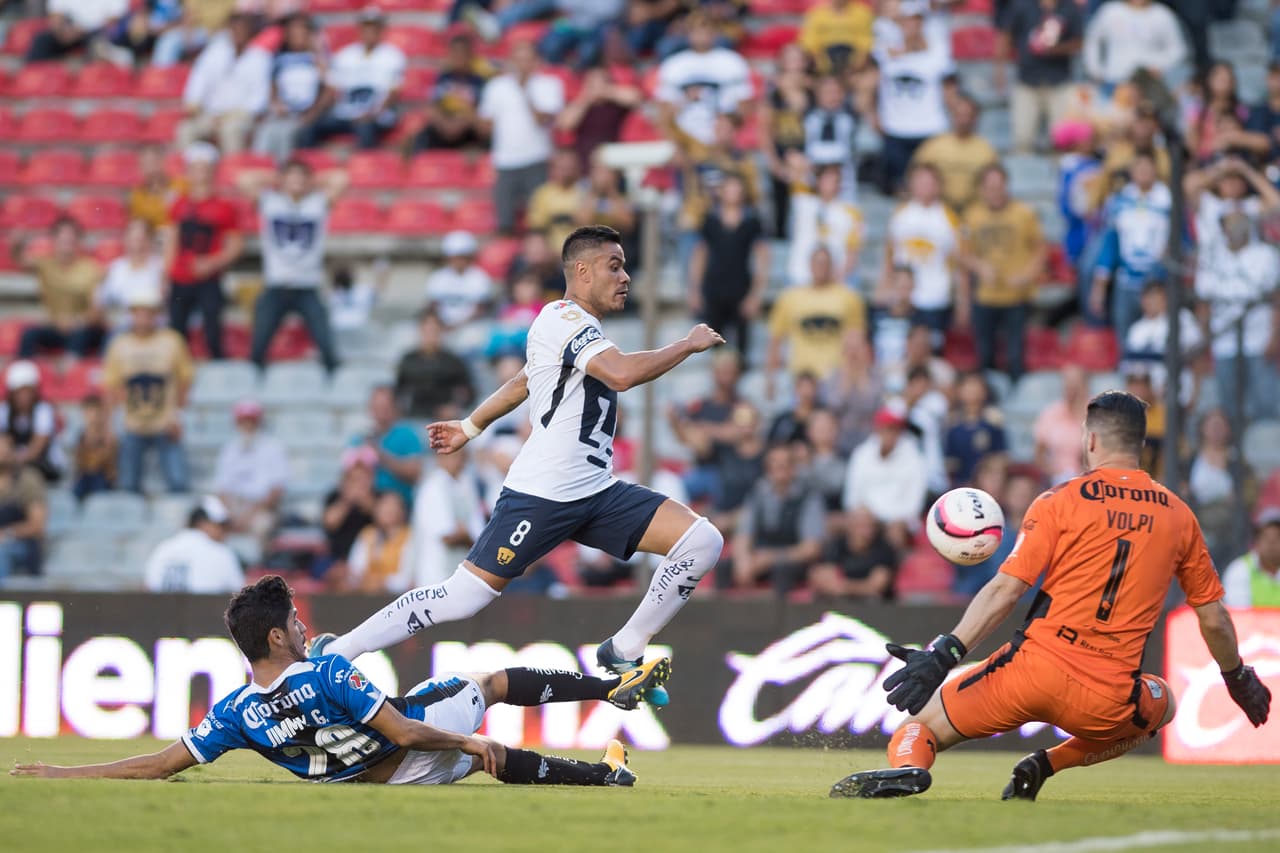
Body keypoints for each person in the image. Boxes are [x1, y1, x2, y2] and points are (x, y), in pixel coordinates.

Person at [311, 226, 726, 694]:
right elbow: (623, 374)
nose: (625, 276)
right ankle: (339, 650)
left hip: (596, 490)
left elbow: (525, 382)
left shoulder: (579, 330)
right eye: (615, 266)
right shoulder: (560, 317)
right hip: (542, 494)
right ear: (582, 271)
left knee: (702, 541)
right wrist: (686, 344)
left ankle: (625, 649)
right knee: (463, 596)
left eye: (626, 266)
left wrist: (470, 426)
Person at [830, 390, 1272, 801]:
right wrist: (1236, 677)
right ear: (1141, 445)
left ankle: (911, 768)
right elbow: (1213, 618)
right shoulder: (1179, 516)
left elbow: (1007, 589)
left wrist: (946, 652)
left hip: (1029, 674)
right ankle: (1046, 764)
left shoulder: (1061, 500)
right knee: (1165, 704)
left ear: (1091, 439)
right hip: (1105, 698)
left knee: (919, 728)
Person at [11, 575, 662, 786]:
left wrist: (63, 775)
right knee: (486, 684)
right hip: (408, 748)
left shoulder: (236, 710)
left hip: (370, 778)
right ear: (275, 637)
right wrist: (462, 741)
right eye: (293, 620)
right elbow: (404, 726)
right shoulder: (326, 671)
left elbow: (164, 761)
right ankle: (609, 689)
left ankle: (605, 774)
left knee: (481, 754)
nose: (300, 626)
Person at [236, 159, 347, 373]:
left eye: (301, 177)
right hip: (276, 285)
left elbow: (342, 179)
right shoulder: (271, 201)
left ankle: (332, 383)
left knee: (327, 346)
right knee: (258, 346)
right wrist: (278, 178)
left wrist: (310, 180)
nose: (296, 181)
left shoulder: (317, 202)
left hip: (307, 286)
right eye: (291, 177)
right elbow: (243, 179)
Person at [101, 287, 194, 494]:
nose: (143, 318)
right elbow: (110, 387)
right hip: (132, 424)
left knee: (178, 483)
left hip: (165, 423)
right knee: (128, 485)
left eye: (148, 313)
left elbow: (185, 380)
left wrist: (178, 415)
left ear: (156, 315)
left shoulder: (171, 341)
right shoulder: (119, 345)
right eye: (139, 313)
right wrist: (110, 425)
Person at [958, 163, 1046, 380]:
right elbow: (962, 254)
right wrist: (980, 266)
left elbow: (1041, 251)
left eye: (999, 186)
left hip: (1016, 297)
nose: (995, 192)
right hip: (985, 296)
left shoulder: (1024, 214)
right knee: (984, 355)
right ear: (982, 189)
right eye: (990, 187)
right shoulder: (972, 216)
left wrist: (1026, 275)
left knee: (1016, 355)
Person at [1195, 212, 1280, 422]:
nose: (1236, 229)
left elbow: (1277, 299)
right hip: (1223, 341)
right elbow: (1203, 302)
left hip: (1259, 340)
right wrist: (1206, 339)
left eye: (1240, 223)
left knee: (1265, 403)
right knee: (1228, 406)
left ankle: (1265, 452)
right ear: (1222, 228)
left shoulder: (1265, 254)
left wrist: (1275, 337)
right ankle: (1233, 453)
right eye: (1231, 224)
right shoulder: (1211, 256)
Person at [163, 143, 244, 360]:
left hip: (209, 278)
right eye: (195, 168)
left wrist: (211, 263)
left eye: (204, 168)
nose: (200, 173)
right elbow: (171, 241)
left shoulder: (224, 207)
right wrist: (166, 275)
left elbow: (235, 246)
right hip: (180, 278)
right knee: (176, 332)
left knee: (213, 330)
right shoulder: (178, 204)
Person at [864, 0, 954, 193]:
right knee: (899, 187)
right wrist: (872, 114)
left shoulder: (937, 49)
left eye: (916, 21)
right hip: (895, 128)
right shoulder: (884, 48)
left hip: (930, 127)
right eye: (907, 21)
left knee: (933, 185)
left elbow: (949, 86)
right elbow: (869, 83)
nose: (911, 26)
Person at [477, 39, 566, 235]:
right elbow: (485, 125)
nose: (522, 65)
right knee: (504, 222)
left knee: (538, 222)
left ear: (537, 61)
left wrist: (525, 91)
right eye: (518, 60)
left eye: (527, 60)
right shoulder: (496, 86)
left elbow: (542, 119)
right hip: (505, 160)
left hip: (537, 158)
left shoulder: (549, 85)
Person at [296, 6, 405, 150]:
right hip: (347, 113)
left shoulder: (393, 56)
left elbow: (393, 92)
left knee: (365, 129)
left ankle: (364, 168)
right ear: (360, 29)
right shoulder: (345, 55)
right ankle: (312, 167)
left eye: (374, 27)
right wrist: (313, 115)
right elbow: (331, 89)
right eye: (366, 27)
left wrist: (373, 113)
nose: (370, 32)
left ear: (382, 29)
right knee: (309, 129)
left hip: (376, 116)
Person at [766, 246, 868, 398]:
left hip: (835, 377)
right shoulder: (790, 298)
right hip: (800, 376)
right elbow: (775, 341)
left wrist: (856, 376)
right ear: (810, 265)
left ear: (832, 266)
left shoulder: (848, 297)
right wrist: (771, 377)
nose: (821, 268)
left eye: (825, 263)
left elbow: (857, 340)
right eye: (818, 263)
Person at [1089, 152, 1172, 338]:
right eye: (1138, 167)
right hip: (1126, 279)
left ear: (1156, 170)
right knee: (1126, 338)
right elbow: (1110, 244)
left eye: (1147, 167)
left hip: (1156, 281)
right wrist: (1100, 286)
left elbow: (1180, 240)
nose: (1143, 172)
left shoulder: (1168, 200)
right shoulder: (1119, 202)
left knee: (1158, 337)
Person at [689, 173, 769, 356]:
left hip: (741, 287)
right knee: (712, 344)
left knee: (742, 347)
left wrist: (756, 294)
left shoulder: (752, 221)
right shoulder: (710, 220)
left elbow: (763, 257)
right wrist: (695, 289)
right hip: (714, 288)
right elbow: (699, 255)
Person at [731, 443, 826, 595]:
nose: (779, 469)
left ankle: (777, 616)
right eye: (774, 464)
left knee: (782, 570)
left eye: (785, 464)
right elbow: (743, 533)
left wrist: (770, 558)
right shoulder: (758, 492)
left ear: (794, 467)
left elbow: (811, 549)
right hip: (760, 557)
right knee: (725, 566)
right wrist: (743, 559)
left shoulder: (808, 496)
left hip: (792, 560)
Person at [995, 0, 1084, 154]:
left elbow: (1079, 42)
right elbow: (1005, 36)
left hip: (1059, 82)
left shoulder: (1069, 8)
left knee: (1061, 141)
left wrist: (1055, 49)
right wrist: (999, 70)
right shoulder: (1022, 5)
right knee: (1022, 139)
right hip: (1027, 81)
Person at [176, 11, 270, 155]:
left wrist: (231, 116)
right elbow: (197, 86)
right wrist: (195, 106)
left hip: (241, 117)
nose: (238, 33)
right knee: (185, 129)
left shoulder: (261, 58)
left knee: (231, 130)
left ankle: (231, 172)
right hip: (210, 115)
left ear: (249, 32)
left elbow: (259, 100)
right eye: (234, 29)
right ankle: (184, 174)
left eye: (242, 29)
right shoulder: (213, 53)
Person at [883, 164, 961, 336]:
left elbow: (959, 263)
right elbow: (889, 254)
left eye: (929, 182)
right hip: (904, 299)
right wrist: (886, 287)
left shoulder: (948, 217)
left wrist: (961, 302)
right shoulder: (900, 214)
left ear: (938, 186)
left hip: (935, 297)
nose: (925, 186)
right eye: (920, 181)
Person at [655, 11, 753, 146]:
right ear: (688, 34)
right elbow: (664, 113)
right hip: (685, 140)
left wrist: (729, 128)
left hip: (725, 139)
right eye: (696, 31)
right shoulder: (673, 65)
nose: (701, 36)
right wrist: (685, 101)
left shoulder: (733, 62)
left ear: (715, 32)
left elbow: (745, 107)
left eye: (706, 30)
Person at [12, 218, 106, 359]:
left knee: (81, 336)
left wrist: (76, 322)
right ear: (54, 241)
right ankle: (25, 374)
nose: (66, 245)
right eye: (63, 240)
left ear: (77, 242)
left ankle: (71, 373)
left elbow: (97, 309)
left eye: (70, 240)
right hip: (54, 327)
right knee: (29, 335)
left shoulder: (90, 269)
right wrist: (18, 243)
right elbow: (20, 259)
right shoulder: (45, 264)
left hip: (82, 326)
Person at [843, 401, 928, 551]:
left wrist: (885, 516)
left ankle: (893, 573)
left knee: (895, 532)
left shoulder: (914, 457)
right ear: (877, 429)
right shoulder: (862, 454)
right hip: (865, 516)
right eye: (885, 428)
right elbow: (852, 497)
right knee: (838, 525)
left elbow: (913, 504)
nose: (889, 434)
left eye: (894, 429)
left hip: (897, 519)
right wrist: (865, 516)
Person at [253, 12, 327, 164]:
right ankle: (262, 167)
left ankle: (284, 171)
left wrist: (311, 115)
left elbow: (328, 89)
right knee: (265, 132)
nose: (298, 36)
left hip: (305, 114)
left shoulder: (318, 60)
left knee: (286, 135)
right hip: (283, 112)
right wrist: (276, 105)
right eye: (294, 33)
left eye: (302, 32)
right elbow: (272, 87)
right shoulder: (279, 60)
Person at [212, 399, 289, 541]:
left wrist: (248, 516)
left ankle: (258, 563)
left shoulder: (273, 448)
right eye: (243, 421)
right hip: (233, 507)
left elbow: (276, 491)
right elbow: (222, 490)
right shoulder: (229, 449)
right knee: (210, 527)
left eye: (251, 421)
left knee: (262, 526)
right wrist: (230, 515)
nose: (248, 425)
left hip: (261, 509)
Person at [411, 445, 486, 589]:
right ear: (440, 458)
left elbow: (480, 535)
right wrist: (467, 535)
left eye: (461, 456)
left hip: (461, 576)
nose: (458, 460)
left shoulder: (466, 484)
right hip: (435, 576)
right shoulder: (432, 486)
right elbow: (448, 536)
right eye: (452, 455)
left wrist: (466, 534)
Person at [912, 94, 999, 215]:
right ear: (952, 115)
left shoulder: (986, 149)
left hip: (975, 211)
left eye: (969, 115)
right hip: (939, 210)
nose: (964, 120)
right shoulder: (934, 146)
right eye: (960, 115)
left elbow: (995, 184)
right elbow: (916, 175)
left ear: (976, 118)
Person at [143, 496, 245, 594]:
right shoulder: (222, 553)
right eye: (221, 526)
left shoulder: (162, 549)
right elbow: (238, 594)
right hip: (207, 610)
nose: (225, 533)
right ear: (203, 523)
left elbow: (150, 587)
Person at [1082, 0, 1189, 92]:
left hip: (1149, 84)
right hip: (1114, 80)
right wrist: (1096, 71)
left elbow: (1178, 50)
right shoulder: (1110, 12)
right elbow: (1093, 41)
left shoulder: (1162, 15)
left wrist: (1160, 65)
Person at [411, 30, 491, 152]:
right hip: (445, 125)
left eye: (462, 53)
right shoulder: (444, 78)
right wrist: (445, 124)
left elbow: (481, 113)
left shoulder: (479, 81)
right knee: (420, 135)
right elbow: (432, 106)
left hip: (468, 128)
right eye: (455, 52)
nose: (458, 57)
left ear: (470, 55)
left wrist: (460, 123)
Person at [788, 163, 864, 287]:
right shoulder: (803, 202)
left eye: (836, 179)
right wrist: (813, 168)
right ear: (818, 180)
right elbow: (795, 163)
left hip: (836, 281)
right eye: (826, 177)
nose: (831, 183)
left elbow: (853, 251)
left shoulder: (852, 212)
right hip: (800, 277)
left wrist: (838, 277)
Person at [394, 308, 475, 421]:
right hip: (415, 416)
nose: (430, 335)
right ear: (420, 330)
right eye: (427, 330)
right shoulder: (408, 360)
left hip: (444, 419)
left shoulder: (452, 361)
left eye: (434, 330)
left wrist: (455, 408)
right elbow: (397, 392)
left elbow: (469, 392)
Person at [554, 66, 641, 171]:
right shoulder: (581, 104)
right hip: (585, 164)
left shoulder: (614, 104)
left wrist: (607, 90)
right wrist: (586, 98)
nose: (597, 87)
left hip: (613, 163)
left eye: (601, 82)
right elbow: (565, 124)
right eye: (592, 83)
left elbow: (636, 98)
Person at [352, 387, 425, 510]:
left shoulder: (407, 435)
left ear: (394, 407)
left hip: (399, 506)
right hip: (364, 505)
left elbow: (415, 471)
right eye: (377, 406)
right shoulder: (360, 438)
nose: (381, 411)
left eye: (385, 406)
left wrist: (381, 457)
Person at [810, 507, 898, 601]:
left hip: (871, 608)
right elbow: (820, 576)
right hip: (838, 605)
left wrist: (844, 587)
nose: (867, 532)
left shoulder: (884, 550)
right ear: (850, 526)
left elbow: (876, 586)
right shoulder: (836, 546)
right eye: (861, 526)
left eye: (870, 526)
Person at [98, 220, 166, 335]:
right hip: (122, 328)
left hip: (154, 328)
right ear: (126, 241)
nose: (138, 245)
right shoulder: (116, 268)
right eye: (134, 239)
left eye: (142, 239)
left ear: (150, 241)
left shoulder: (161, 268)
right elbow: (101, 300)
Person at [0, 361, 63, 484]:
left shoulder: (43, 410)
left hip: (44, 467)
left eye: (27, 391)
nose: (23, 396)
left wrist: (12, 459)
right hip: (14, 466)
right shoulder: (4, 411)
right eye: (19, 391)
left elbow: (36, 448)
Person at [320, 447, 377, 583]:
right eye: (353, 479)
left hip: (371, 560)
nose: (358, 484)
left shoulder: (378, 496)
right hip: (336, 559)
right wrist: (347, 501)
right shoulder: (334, 497)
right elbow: (330, 522)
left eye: (363, 478)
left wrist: (365, 501)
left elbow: (385, 519)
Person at [802, 75, 861, 204]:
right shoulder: (807, 119)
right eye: (827, 92)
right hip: (812, 182)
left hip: (844, 185)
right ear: (817, 94)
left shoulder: (851, 120)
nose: (832, 97)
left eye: (837, 92)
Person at [944, 372, 1007, 488]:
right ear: (959, 391)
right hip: (961, 484)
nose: (973, 391)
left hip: (988, 484)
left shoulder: (993, 419)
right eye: (968, 386)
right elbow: (950, 460)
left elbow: (1001, 455)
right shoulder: (953, 422)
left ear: (984, 391)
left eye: (977, 386)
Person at [0, 433, 47, 582]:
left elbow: (37, 525)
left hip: (22, 545)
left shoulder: (27, 480)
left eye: (4, 450)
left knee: (2, 552)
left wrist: (7, 534)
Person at [346, 491, 413, 594]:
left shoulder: (410, 537)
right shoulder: (367, 535)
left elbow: (409, 577)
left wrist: (384, 583)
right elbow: (355, 569)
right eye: (383, 505)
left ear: (402, 512)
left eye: (392, 507)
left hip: (398, 597)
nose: (387, 510)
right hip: (366, 594)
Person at [25, 0, 127, 61]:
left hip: (97, 31)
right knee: (41, 40)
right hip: (67, 32)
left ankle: (91, 80)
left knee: (98, 44)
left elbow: (113, 20)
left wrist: (82, 30)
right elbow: (56, 16)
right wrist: (62, 30)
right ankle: (32, 79)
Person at [527, 149, 585, 255]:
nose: (566, 172)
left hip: (582, 251)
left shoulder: (585, 191)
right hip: (551, 252)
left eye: (570, 168)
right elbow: (537, 228)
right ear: (553, 169)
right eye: (562, 168)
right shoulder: (543, 193)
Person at [1222, 509, 1280, 608]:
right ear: (1256, 542)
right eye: (1265, 537)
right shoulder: (1239, 570)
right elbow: (1240, 614)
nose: (1271, 542)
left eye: (1277, 537)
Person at [800, 0, 874, 75]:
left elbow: (866, 41)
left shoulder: (862, 13)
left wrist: (857, 62)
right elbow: (809, 41)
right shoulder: (816, 14)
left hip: (852, 54)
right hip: (824, 54)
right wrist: (821, 62)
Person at [72, 394, 118, 503]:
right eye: (87, 412)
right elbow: (80, 460)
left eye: (93, 412)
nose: (90, 416)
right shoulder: (82, 434)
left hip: (102, 476)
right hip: (86, 475)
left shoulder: (107, 435)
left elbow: (108, 457)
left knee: (99, 493)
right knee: (76, 491)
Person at [128, 145, 183, 230]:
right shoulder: (137, 196)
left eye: (153, 161)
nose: (150, 167)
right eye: (145, 163)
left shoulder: (180, 186)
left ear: (162, 161)